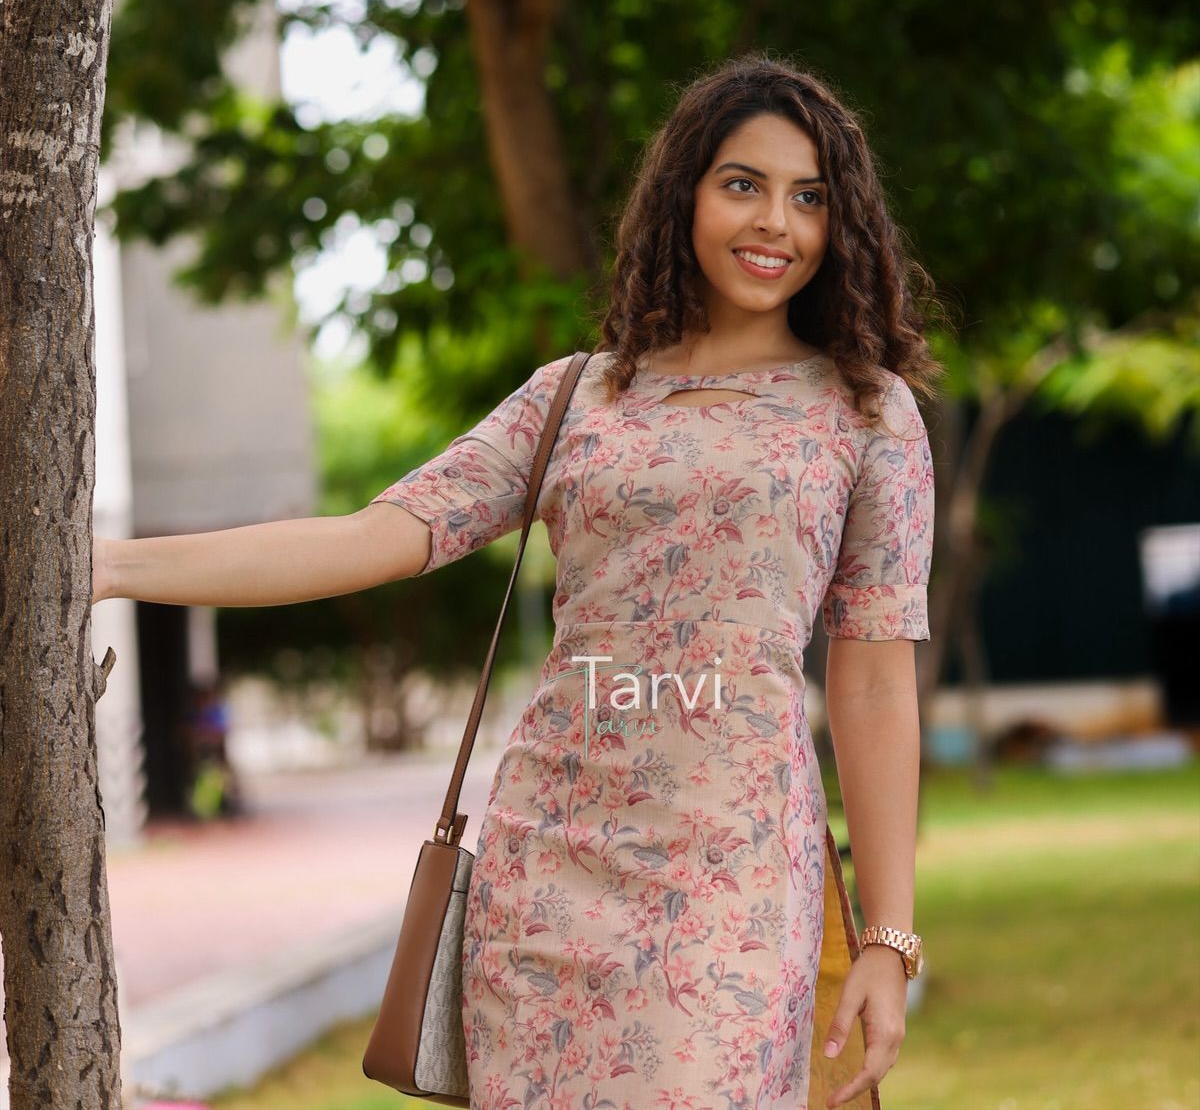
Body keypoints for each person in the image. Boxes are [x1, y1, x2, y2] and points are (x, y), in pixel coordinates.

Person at [93, 54, 940, 1110]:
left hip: (729, 882)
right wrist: (110, 566)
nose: (777, 222)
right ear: (683, 194)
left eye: (809, 197)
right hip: (546, 870)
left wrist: (887, 938)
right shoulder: (576, 399)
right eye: (743, 184)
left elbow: (873, 681)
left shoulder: (864, 415)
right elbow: (375, 537)